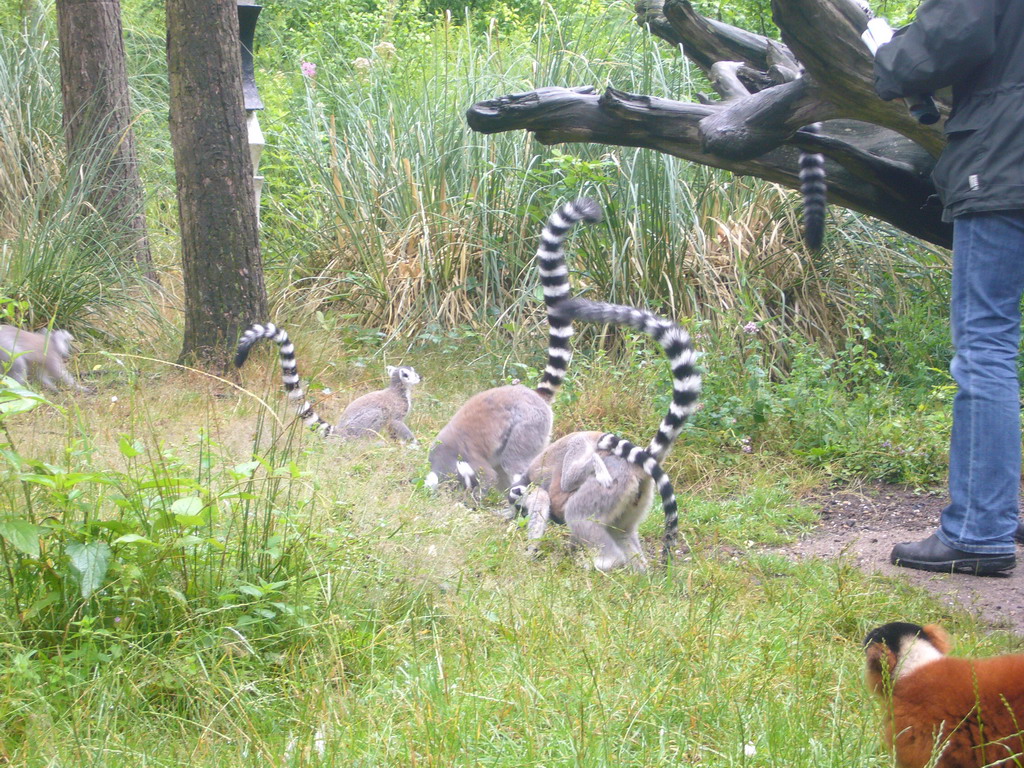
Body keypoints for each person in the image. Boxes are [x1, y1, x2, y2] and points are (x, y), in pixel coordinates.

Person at [871, 0, 1024, 575]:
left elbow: (950, 34)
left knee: (986, 347)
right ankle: (997, 513)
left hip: (1006, 163)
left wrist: (891, 56)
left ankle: (980, 531)